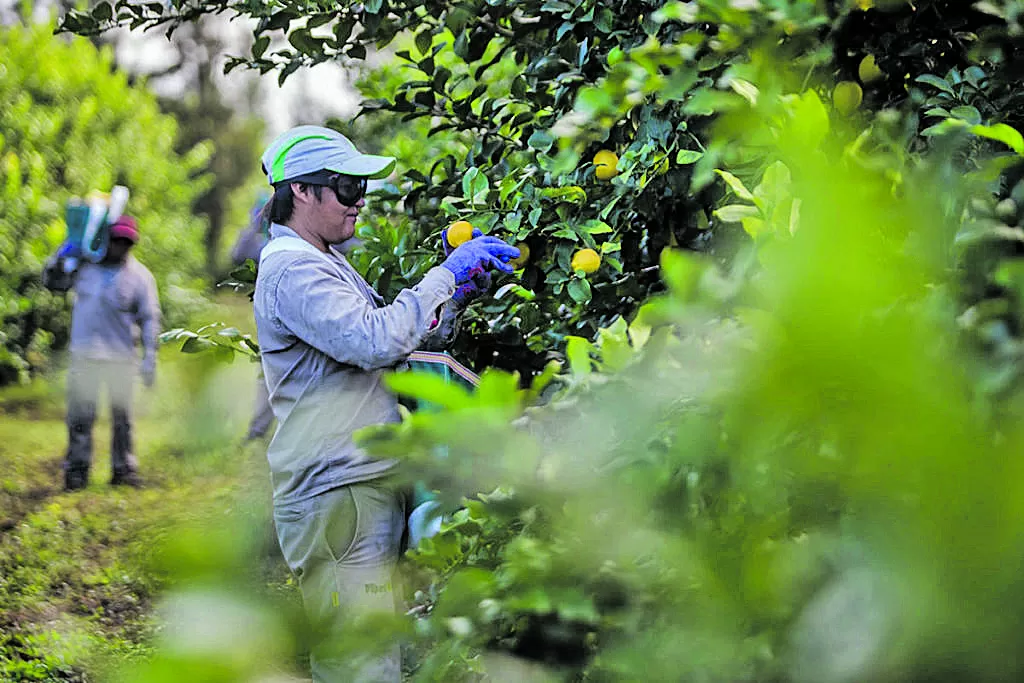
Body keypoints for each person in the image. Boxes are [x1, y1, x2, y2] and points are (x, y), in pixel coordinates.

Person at [253, 125, 518, 681]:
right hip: (335, 492)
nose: (360, 202)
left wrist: (453, 297)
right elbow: (373, 341)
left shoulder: (323, 259)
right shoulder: (293, 269)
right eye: (347, 187)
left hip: (357, 485)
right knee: (361, 665)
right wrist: (443, 276)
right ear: (302, 191)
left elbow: (391, 341)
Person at [58, 215, 160, 491]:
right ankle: (77, 472)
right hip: (84, 355)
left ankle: (123, 470)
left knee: (122, 420)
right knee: (79, 418)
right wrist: (62, 253)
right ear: (106, 239)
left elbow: (150, 318)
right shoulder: (83, 268)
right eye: (116, 240)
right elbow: (53, 282)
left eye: (127, 242)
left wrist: (150, 357)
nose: (121, 247)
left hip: (120, 358)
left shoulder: (141, 277)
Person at [230, 195, 275, 442]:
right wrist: (255, 226)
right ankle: (257, 432)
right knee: (268, 368)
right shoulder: (260, 241)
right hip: (267, 315)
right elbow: (237, 253)